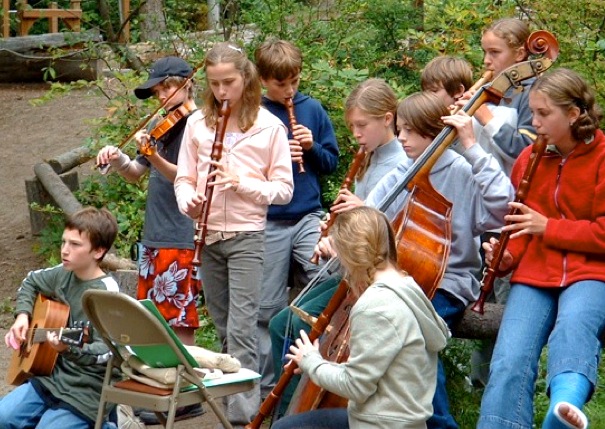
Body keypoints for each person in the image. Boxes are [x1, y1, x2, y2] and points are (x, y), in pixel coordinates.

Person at [363, 91, 514, 429]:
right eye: (399, 129)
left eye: (409, 131)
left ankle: (441, 424)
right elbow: (370, 213)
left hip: (448, 283)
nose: (400, 138)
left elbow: (504, 206)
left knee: (413, 333)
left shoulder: (461, 169)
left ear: (434, 131)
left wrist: (472, 146)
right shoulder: (406, 168)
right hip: (402, 281)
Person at [268, 77, 406, 419]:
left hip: (370, 276)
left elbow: (391, 231)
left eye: (362, 125)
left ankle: (290, 417)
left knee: (289, 325)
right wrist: (332, 233)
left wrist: (357, 216)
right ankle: (291, 414)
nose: (356, 134)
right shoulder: (370, 156)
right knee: (283, 323)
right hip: (351, 270)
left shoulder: (400, 162)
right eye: (352, 127)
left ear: (387, 119)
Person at [174, 41, 294, 428]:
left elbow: (283, 189)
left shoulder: (269, 127)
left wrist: (242, 183)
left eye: (229, 82)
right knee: (224, 326)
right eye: (214, 84)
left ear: (247, 78)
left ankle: (245, 420)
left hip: (247, 235)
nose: (222, 92)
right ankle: (234, 408)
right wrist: (188, 200)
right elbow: (184, 178)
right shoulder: (197, 124)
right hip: (206, 236)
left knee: (243, 328)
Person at [478, 68, 605, 429]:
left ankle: (563, 411)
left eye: (544, 114)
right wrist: (505, 258)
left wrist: (548, 227)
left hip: (592, 271)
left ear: (574, 113)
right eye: (532, 112)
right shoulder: (527, 160)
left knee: (573, 326)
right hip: (535, 274)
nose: (534, 122)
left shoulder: (602, 156)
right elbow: (520, 231)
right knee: (509, 358)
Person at [272, 206, 450, 429]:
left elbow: (355, 386)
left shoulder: (374, 306)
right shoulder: (406, 285)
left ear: (349, 257)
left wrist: (310, 361)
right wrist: (314, 361)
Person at [253, 38, 339, 397]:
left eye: (295, 81)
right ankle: (269, 392)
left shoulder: (312, 110)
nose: (289, 90)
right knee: (266, 307)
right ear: (262, 80)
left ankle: (316, 379)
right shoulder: (252, 114)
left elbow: (331, 163)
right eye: (280, 83)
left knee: (326, 275)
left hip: (307, 214)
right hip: (268, 219)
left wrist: (311, 148)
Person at [96, 56, 201, 347]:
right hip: (155, 235)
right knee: (151, 320)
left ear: (187, 85)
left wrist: (154, 156)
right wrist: (118, 159)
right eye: (158, 92)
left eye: (167, 88)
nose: (162, 96)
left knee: (179, 321)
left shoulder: (198, 125)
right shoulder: (160, 124)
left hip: (181, 235)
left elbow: (189, 177)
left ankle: (184, 382)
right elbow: (135, 173)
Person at [0, 207, 119, 429]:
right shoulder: (64, 273)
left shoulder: (107, 295)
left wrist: (68, 349)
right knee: (3, 418)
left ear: (98, 251)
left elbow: (110, 351)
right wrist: (23, 316)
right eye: (64, 242)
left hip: (88, 388)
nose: (65, 250)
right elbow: (30, 281)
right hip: (51, 375)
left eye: (75, 245)